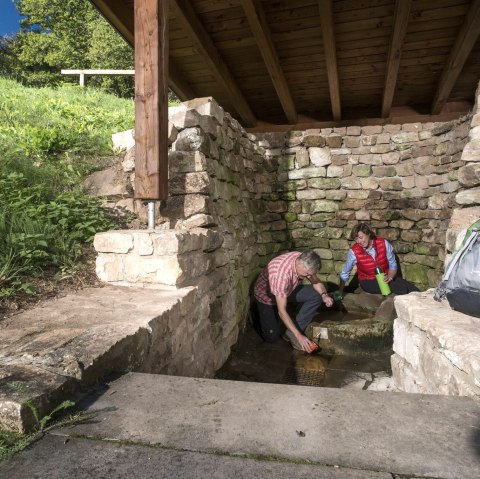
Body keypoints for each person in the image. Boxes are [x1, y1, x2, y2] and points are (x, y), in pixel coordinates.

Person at [253, 250, 334, 353]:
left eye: (310, 275)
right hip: (267, 297)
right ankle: (262, 315)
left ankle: (292, 330)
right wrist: (299, 336)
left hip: (287, 290)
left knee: (317, 294)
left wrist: (324, 295)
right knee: (272, 338)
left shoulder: (304, 259)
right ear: (301, 265)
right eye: (307, 275)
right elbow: (282, 311)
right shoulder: (280, 274)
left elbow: (316, 282)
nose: (309, 277)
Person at [339, 223, 419, 296]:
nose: (359, 241)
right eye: (356, 239)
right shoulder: (354, 252)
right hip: (368, 281)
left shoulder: (383, 243)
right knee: (399, 287)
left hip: (385, 277)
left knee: (409, 287)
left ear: (368, 234)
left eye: (360, 237)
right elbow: (345, 272)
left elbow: (392, 264)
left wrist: (390, 276)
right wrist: (340, 291)